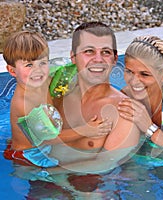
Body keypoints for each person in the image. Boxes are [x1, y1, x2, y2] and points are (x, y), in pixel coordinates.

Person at [2, 30, 112, 168]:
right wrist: (86, 130)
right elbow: (47, 140)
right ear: (12, 71)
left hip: (41, 142)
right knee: (73, 175)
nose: (38, 70)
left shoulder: (45, 79)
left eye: (42, 63)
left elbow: (68, 69)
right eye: (29, 65)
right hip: (30, 155)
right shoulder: (24, 103)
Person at [49, 22, 141, 173]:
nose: (98, 59)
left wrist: (47, 174)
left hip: (87, 189)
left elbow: (105, 165)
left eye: (106, 52)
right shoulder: (58, 96)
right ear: (73, 57)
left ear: (115, 58)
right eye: (89, 51)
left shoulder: (124, 111)